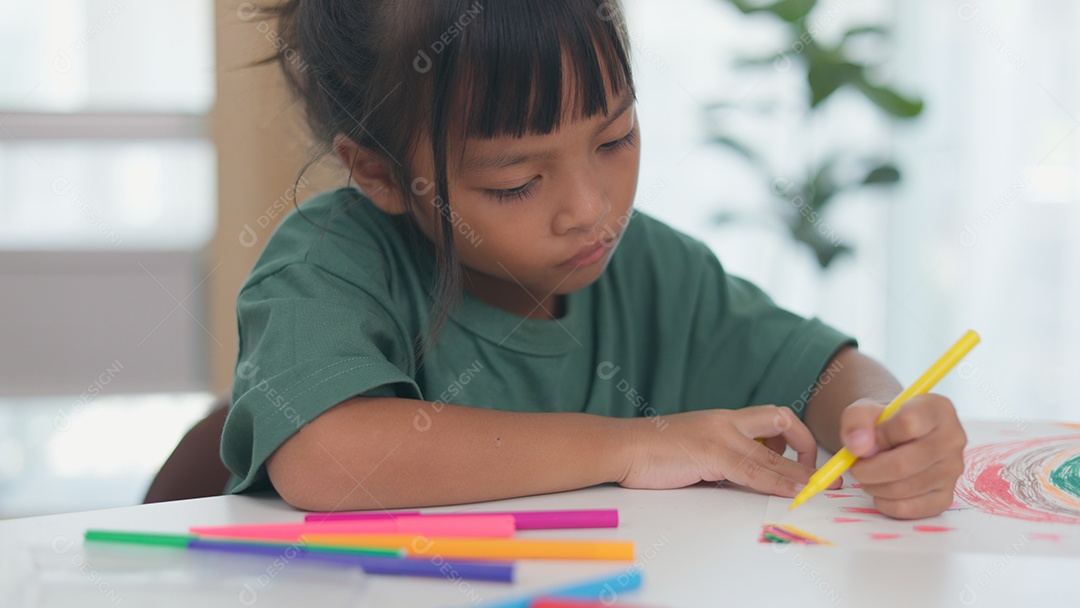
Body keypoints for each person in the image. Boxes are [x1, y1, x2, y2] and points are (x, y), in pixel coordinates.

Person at [221, 0, 966, 519]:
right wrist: (637, 445)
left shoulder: (654, 270)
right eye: (515, 182)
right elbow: (326, 455)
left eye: (614, 139)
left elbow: (825, 373)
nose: (590, 207)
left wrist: (886, 426)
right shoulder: (329, 267)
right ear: (381, 174)